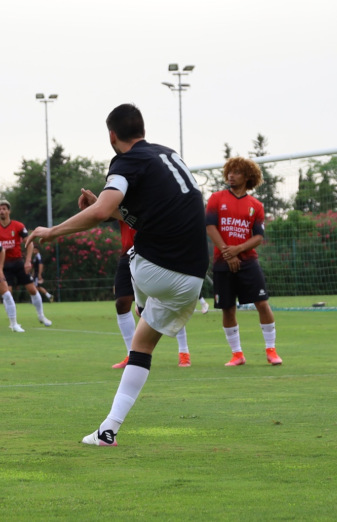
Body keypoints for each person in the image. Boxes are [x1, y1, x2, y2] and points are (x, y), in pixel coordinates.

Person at [26, 103, 207, 446]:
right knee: (141, 346)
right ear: (142, 128)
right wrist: (108, 209)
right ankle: (107, 430)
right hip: (195, 278)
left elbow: (103, 211)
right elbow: (141, 212)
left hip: (153, 270)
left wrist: (52, 231)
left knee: (133, 255)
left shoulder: (125, 161)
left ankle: (141, 302)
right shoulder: (168, 155)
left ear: (112, 135)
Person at [206, 156, 283, 367]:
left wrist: (238, 250)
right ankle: (237, 354)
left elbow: (258, 236)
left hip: (248, 262)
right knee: (228, 308)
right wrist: (227, 253)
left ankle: (271, 350)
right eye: (229, 171)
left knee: (262, 303)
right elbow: (210, 227)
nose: (231, 175)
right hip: (222, 262)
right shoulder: (216, 198)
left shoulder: (256, 205)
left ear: (248, 176)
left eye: (237, 172)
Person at [107, 220, 192, 369]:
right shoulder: (122, 199)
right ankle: (131, 354)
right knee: (121, 302)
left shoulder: (154, 199)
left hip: (154, 254)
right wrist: (96, 204)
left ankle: (183, 352)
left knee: (169, 300)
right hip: (128, 253)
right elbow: (106, 212)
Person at [0, 200, 52, 326]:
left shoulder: (18, 226)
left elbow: (29, 243)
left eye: (4, 208)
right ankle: (13, 322)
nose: (2, 211)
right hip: (4, 266)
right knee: (7, 292)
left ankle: (41, 316)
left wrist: (28, 261)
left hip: (18, 263)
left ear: (9, 211)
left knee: (32, 289)